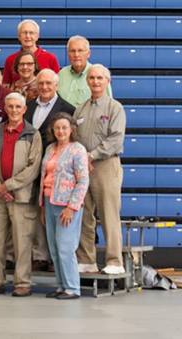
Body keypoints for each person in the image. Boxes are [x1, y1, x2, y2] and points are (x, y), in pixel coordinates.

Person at [0, 93, 43, 297]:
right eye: (10, 106)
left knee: (22, 241)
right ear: (5, 109)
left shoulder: (32, 134)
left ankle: (22, 282)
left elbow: (33, 167)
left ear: (24, 109)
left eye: (18, 107)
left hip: (21, 197)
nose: (14, 110)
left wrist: (9, 186)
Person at [74, 64, 126, 275]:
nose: (95, 82)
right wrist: (80, 157)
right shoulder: (81, 109)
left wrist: (92, 155)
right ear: (87, 81)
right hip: (82, 167)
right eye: (92, 78)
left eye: (100, 78)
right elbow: (74, 136)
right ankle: (87, 259)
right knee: (84, 213)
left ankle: (114, 260)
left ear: (107, 81)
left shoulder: (115, 108)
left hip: (105, 165)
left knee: (108, 214)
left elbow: (115, 139)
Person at [25, 69, 76, 271]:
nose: (45, 87)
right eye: (41, 83)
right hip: (33, 166)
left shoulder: (68, 109)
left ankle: (59, 260)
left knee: (58, 213)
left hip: (59, 168)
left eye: (49, 83)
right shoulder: (28, 107)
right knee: (39, 212)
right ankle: (40, 256)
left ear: (57, 86)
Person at [40, 113, 90, 300]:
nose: (60, 131)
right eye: (57, 128)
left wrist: (72, 207)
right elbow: (45, 177)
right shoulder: (50, 149)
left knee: (65, 247)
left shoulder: (78, 150)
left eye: (64, 128)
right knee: (53, 248)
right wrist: (42, 208)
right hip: (49, 201)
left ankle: (72, 287)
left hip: (66, 205)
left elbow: (83, 180)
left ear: (71, 130)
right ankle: (61, 285)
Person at [59, 36, 112, 108]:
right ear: (68, 54)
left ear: (88, 53)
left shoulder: (99, 74)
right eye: (72, 51)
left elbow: (108, 105)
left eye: (80, 50)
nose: (76, 55)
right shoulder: (61, 74)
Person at [2, 20, 60, 86]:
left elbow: (58, 85)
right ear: (19, 36)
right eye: (24, 32)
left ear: (37, 36)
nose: (28, 36)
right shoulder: (10, 59)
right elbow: (6, 86)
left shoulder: (50, 58)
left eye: (31, 33)